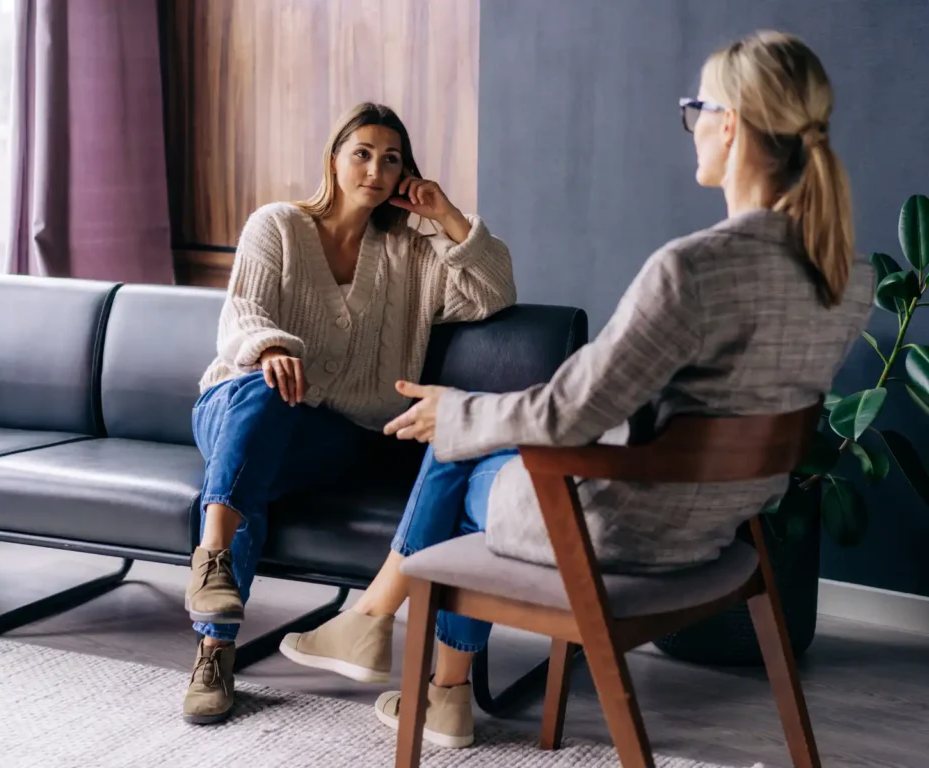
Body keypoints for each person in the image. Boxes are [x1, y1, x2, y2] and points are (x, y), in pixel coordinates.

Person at [281, 31, 875, 748]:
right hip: (721, 528)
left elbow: (571, 411)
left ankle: (390, 641)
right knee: (473, 430)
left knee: (459, 447)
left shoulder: (694, 269)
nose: (693, 128)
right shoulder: (848, 276)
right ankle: (427, 679)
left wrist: (458, 411)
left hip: (622, 530)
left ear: (730, 124)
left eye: (696, 109)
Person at [182, 102, 516, 724]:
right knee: (265, 399)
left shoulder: (413, 254)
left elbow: (493, 296)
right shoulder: (277, 225)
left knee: (259, 457)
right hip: (236, 403)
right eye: (361, 152)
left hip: (339, 435)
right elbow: (241, 315)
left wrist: (446, 216)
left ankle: (214, 630)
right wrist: (273, 347)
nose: (375, 168)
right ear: (334, 160)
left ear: (404, 175)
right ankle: (215, 601)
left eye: (391, 159)